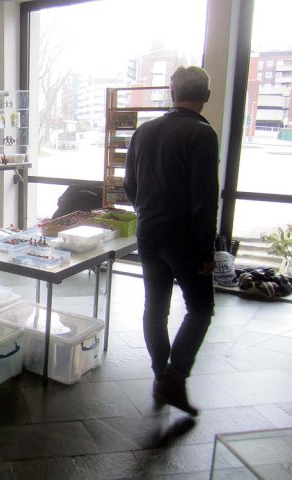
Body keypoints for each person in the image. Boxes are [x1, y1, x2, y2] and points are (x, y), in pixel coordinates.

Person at [123, 66, 219, 416]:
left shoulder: (144, 131)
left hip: (148, 231)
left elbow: (130, 186)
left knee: (155, 306)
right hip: (184, 238)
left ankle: (161, 375)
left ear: (171, 93)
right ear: (206, 95)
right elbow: (205, 199)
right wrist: (207, 250)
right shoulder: (202, 134)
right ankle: (173, 376)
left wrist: (147, 212)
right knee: (201, 308)